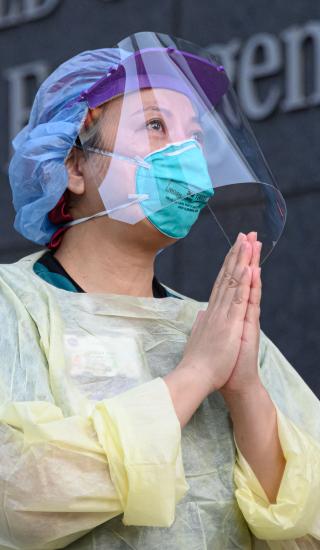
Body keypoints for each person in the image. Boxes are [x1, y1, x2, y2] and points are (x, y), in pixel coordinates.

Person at [0, 32, 319, 550]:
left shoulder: (219, 329)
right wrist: (194, 376)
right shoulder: (14, 308)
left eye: (193, 136)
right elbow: (19, 499)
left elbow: (306, 527)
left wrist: (244, 392)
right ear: (73, 165)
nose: (185, 154)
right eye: (154, 126)